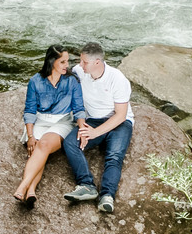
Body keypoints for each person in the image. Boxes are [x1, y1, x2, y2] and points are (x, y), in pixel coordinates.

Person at [61, 42, 134, 214]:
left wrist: (94, 133)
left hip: (119, 123)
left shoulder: (117, 79)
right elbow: (58, 75)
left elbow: (120, 115)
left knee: (114, 156)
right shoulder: (80, 71)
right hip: (93, 119)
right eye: (80, 61)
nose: (80, 65)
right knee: (70, 142)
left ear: (97, 62)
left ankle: (107, 196)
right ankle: (86, 185)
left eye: (84, 62)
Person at [16, 45, 86, 208]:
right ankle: (31, 190)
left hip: (62, 121)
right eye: (62, 62)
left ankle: (22, 186)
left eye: (67, 61)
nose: (66, 65)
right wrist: (30, 135)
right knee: (36, 149)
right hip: (40, 121)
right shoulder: (35, 81)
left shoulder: (72, 80)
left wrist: (82, 130)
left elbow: (79, 109)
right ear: (51, 61)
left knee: (44, 144)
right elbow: (30, 110)